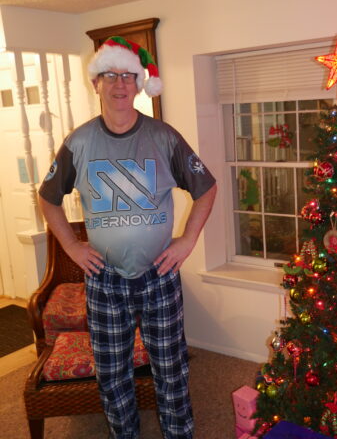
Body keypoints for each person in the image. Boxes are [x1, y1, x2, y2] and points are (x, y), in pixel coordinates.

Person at [38, 36, 217, 439]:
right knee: (112, 373)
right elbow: (48, 200)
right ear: (96, 83)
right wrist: (71, 245)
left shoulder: (165, 136)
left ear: (139, 84)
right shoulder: (78, 142)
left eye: (128, 76)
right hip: (104, 279)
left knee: (171, 368)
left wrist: (187, 241)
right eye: (110, 75)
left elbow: (206, 189)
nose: (119, 84)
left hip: (159, 274)